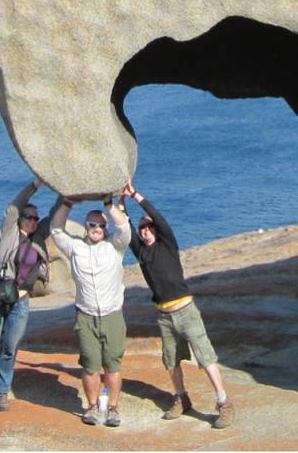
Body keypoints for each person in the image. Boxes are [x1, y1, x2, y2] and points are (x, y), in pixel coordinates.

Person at [122, 178, 234, 429]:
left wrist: (135, 195)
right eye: (143, 230)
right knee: (171, 361)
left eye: (149, 228)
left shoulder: (168, 245)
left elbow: (158, 217)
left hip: (186, 310)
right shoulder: (142, 253)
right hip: (164, 315)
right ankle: (181, 398)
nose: (146, 231)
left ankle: (223, 402)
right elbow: (126, 228)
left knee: (206, 357)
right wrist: (118, 203)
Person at [0, 176, 61, 420]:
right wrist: (36, 185)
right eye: (28, 217)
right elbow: (13, 207)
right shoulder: (9, 232)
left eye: (34, 218)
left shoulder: (38, 237)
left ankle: (1, 391)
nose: (32, 221)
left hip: (21, 301)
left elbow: (58, 213)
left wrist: (68, 193)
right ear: (20, 219)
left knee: (10, 348)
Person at [50, 195, 131, 427]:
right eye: (92, 224)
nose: (96, 228)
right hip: (85, 316)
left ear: (105, 228)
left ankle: (113, 408)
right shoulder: (76, 247)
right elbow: (56, 230)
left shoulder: (115, 246)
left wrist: (109, 204)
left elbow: (124, 227)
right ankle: (92, 407)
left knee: (113, 366)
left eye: (101, 225)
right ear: (86, 227)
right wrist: (67, 202)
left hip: (113, 315)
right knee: (89, 365)